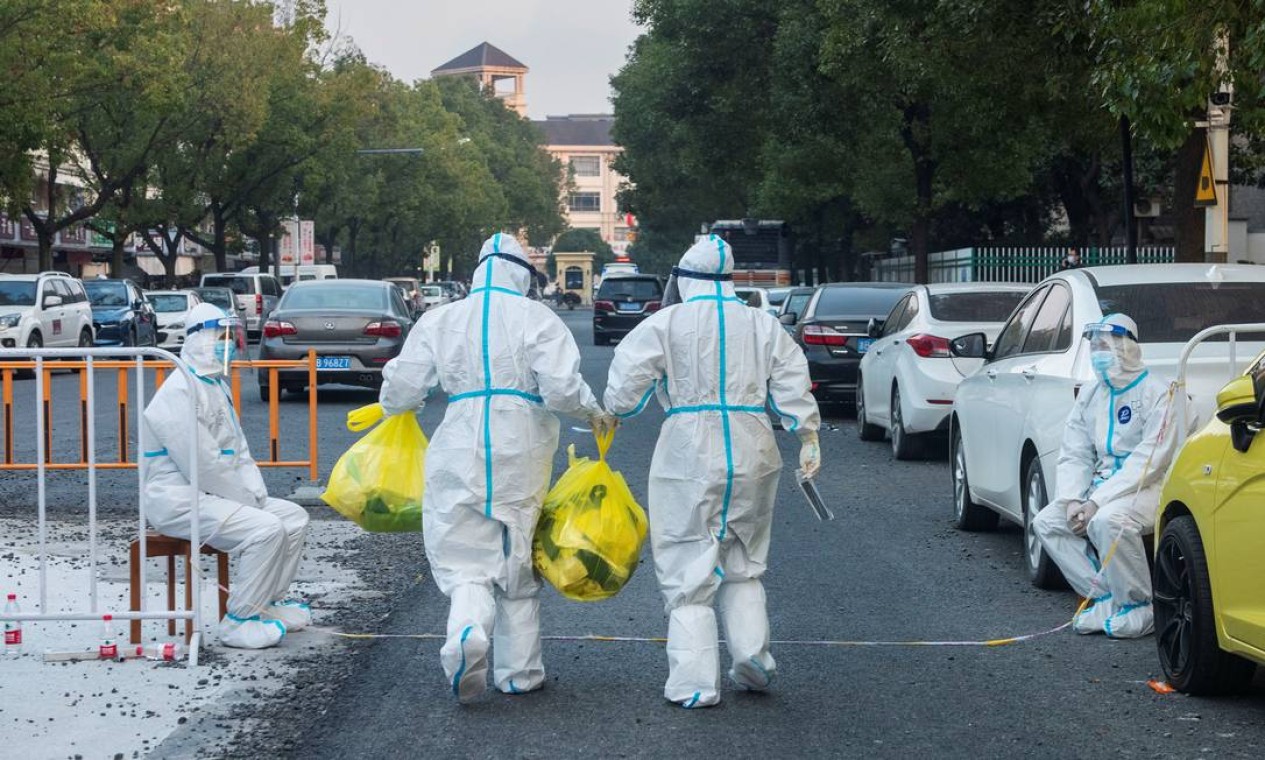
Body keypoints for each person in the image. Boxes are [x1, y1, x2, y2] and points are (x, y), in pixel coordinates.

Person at [379, 233, 614, 703]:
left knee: (464, 556)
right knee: (519, 556)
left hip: (459, 441)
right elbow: (562, 390)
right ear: (522, 273)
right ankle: (520, 672)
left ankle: (467, 629)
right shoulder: (538, 318)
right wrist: (594, 413)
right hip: (521, 443)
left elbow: (401, 390)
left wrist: (396, 401)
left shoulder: (440, 318)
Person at [604, 235, 821, 708]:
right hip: (753, 443)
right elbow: (793, 381)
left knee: (688, 564)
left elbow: (623, 390)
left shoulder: (665, 324)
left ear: (684, 279)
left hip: (687, 449)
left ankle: (695, 683)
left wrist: (614, 409)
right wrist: (807, 434)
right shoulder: (762, 325)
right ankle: (753, 656)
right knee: (745, 560)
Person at [142, 303, 310, 649]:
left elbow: (237, 453)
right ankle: (239, 620)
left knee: (293, 517)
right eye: (220, 337)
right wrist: (249, 502)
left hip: (216, 495)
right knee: (265, 529)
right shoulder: (178, 391)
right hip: (179, 500)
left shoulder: (215, 385)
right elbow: (203, 466)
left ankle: (268, 603)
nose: (228, 344)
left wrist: (255, 493)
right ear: (197, 338)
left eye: (229, 337)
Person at [1033, 313, 1184, 639]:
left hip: (1148, 487)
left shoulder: (1159, 392)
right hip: (1098, 490)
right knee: (1048, 522)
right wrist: (1074, 499)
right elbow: (1075, 451)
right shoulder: (1091, 394)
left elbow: (1149, 461)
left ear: (1126, 347)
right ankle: (1103, 596)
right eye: (1095, 346)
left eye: (1105, 345)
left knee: (1107, 521)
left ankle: (1139, 606)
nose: (1097, 353)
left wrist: (1097, 502)